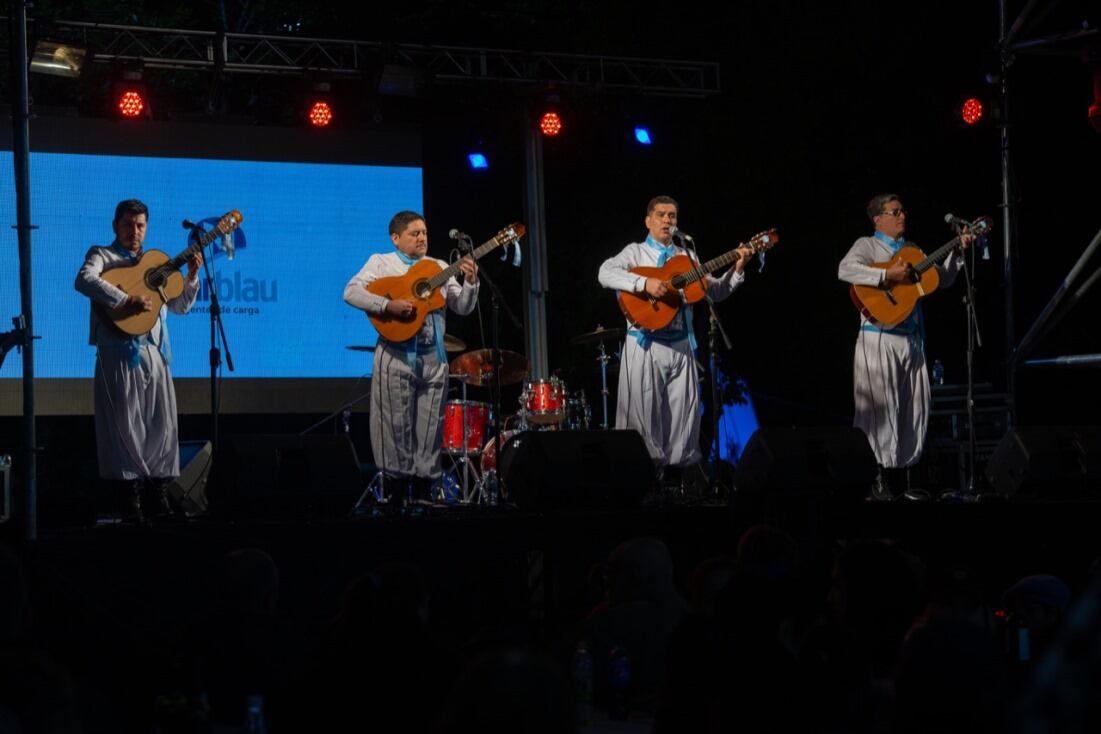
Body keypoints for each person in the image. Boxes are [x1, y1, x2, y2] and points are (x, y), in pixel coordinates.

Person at [598, 195, 751, 480]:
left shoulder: (687, 256)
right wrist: (644, 282)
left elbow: (712, 291)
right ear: (648, 220)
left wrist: (737, 268)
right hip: (646, 344)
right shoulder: (636, 252)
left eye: (672, 216)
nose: (667, 220)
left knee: (683, 420)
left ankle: (677, 486)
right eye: (661, 215)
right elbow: (605, 273)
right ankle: (641, 484)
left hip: (681, 345)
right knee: (643, 419)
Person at [74, 198, 202, 521]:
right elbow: (84, 280)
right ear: (116, 225)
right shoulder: (102, 255)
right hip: (119, 351)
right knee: (125, 425)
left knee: (162, 424)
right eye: (129, 224)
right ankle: (129, 499)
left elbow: (179, 306)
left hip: (155, 352)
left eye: (140, 225)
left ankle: (158, 493)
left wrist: (191, 277)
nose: (135, 231)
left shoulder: (155, 263)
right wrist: (125, 298)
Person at [838, 193, 970, 499]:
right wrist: (887, 274)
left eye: (903, 211)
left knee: (913, 409)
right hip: (879, 337)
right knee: (879, 412)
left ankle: (907, 480)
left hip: (911, 339)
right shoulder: (867, 245)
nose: (902, 216)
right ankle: (877, 478)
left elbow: (942, 280)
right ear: (878, 219)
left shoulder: (913, 250)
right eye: (894, 212)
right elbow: (845, 270)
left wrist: (958, 253)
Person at [343, 210, 479, 504]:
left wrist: (470, 283)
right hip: (396, 355)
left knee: (431, 429)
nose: (422, 238)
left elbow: (463, 307)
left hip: (434, 360)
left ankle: (423, 495)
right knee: (394, 426)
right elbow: (351, 292)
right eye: (414, 233)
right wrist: (386, 306)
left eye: (425, 233)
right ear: (396, 238)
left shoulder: (439, 266)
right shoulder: (381, 262)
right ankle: (394, 496)